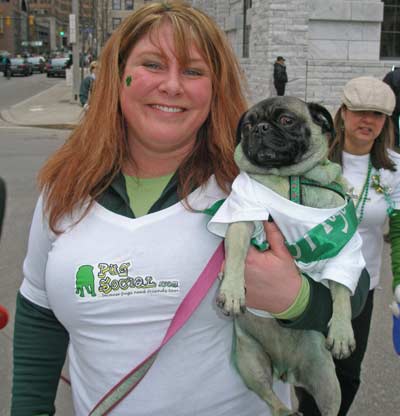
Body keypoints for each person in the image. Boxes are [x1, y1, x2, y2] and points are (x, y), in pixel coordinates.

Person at [11, 2, 369, 415]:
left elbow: (353, 281)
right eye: (152, 64)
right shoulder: (65, 188)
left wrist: (297, 299)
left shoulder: (255, 185)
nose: (172, 85)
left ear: (215, 87)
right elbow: (39, 310)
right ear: (116, 75)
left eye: (194, 71)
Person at [296, 76, 400, 415]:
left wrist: (399, 283)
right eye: (359, 112)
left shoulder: (394, 170)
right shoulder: (313, 161)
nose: (367, 120)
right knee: (308, 371)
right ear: (343, 113)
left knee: (348, 373)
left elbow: (398, 232)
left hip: (361, 288)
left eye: (377, 114)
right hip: (311, 283)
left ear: (386, 121)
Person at [383, 65, 400, 148]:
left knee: (393, 129)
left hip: (393, 109)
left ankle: (394, 146)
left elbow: (384, 93)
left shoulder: (392, 75)